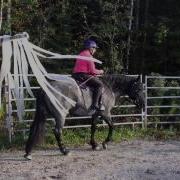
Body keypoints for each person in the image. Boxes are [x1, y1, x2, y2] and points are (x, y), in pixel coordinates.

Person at [72, 39, 104, 114]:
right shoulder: (89, 56)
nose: (95, 50)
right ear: (91, 48)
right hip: (83, 75)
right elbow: (92, 71)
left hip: (75, 75)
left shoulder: (81, 54)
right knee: (100, 84)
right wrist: (101, 71)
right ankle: (95, 105)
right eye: (95, 48)